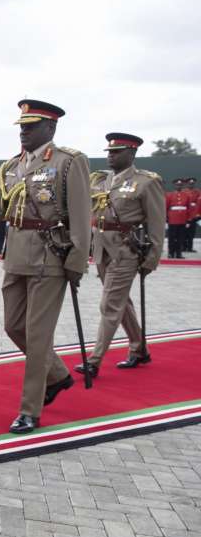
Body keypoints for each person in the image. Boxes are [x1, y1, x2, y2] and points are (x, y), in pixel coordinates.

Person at [0, 99, 91, 434]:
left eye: (31, 126)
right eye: (22, 126)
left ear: (51, 127)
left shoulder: (69, 162)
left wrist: (76, 262)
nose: (24, 132)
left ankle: (30, 409)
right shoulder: (11, 166)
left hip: (51, 258)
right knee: (14, 326)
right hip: (15, 257)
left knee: (38, 337)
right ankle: (58, 375)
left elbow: (82, 215)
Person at [74, 133, 165, 379]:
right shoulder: (101, 180)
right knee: (121, 302)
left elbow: (157, 223)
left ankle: (94, 360)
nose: (110, 156)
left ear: (132, 154)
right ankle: (139, 348)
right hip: (103, 249)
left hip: (127, 251)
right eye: (109, 152)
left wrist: (152, 258)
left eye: (116, 152)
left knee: (110, 304)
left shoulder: (146, 182)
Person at [184, 177, 198, 252]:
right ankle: (183, 247)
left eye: (192, 183)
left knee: (191, 233)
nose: (191, 185)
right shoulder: (184, 192)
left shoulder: (197, 192)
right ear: (187, 184)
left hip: (194, 215)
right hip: (185, 215)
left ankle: (190, 248)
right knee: (184, 232)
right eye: (190, 183)